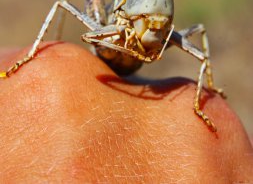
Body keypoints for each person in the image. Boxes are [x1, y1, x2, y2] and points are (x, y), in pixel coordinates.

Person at [0, 42, 252, 182]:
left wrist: (201, 102)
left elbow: (201, 55)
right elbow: (90, 36)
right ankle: (30, 56)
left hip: (133, 61)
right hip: (107, 38)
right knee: (63, 3)